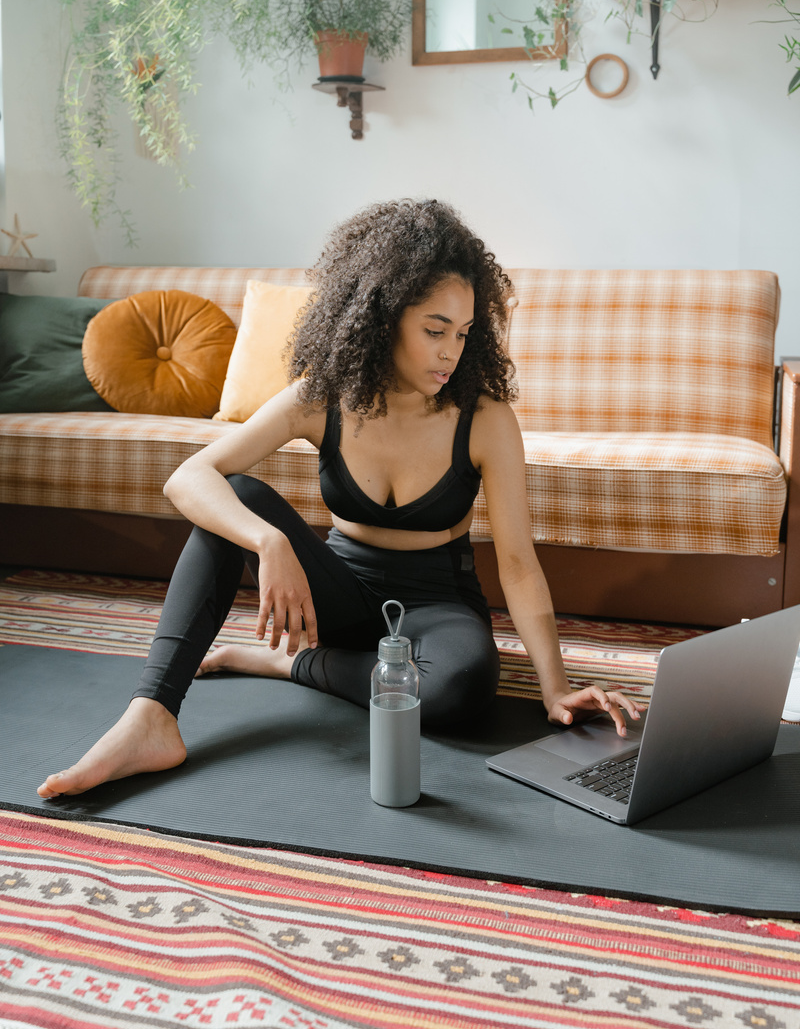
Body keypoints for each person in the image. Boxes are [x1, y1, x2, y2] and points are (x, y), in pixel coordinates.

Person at [37, 199, 640, 799]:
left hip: (437, 607)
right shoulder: (320, 397)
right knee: (235, 495)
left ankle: (289, 663)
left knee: (459, 688)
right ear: (381, 316)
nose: (451, 352)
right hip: (338, 594)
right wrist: (268, 540)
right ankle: (151, 718)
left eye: (463, 333)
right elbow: (188, 477)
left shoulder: (484, 418)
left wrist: (555, 687)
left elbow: (517, 564)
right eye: (434, 330)